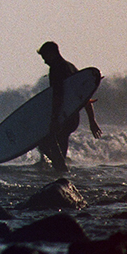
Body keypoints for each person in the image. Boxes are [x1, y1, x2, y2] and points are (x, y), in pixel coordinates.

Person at [35, 41, 102, 170]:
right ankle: (61, 171)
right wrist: (92, 121)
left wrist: (55, 118)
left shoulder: (56, 69)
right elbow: (84, 95)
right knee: (59, 144)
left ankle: (60, 167)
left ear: (51, 54)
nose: (44, 62)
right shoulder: (70, 67)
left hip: (64, 116)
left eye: (45, 58)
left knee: (44, 143)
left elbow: (58, 96)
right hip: (72, 117)